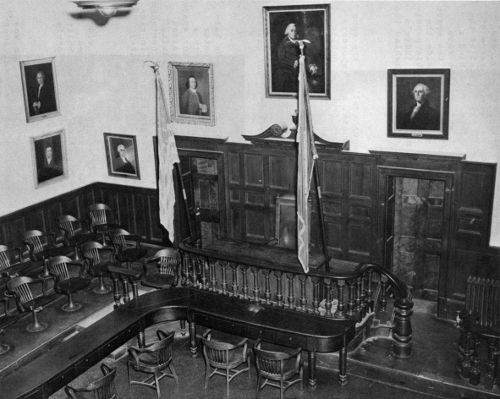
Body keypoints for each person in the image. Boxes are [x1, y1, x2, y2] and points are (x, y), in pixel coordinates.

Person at [274, 23, 321, 93]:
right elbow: (280, 59)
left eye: (295, 31)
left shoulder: (298, 42)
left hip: (299, 70)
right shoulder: (283, 44)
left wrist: (310, 65)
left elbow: (305, 55)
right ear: (287, 32)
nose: (294, 33)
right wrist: (292, 63)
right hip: (287, 74)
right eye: (291, 31)